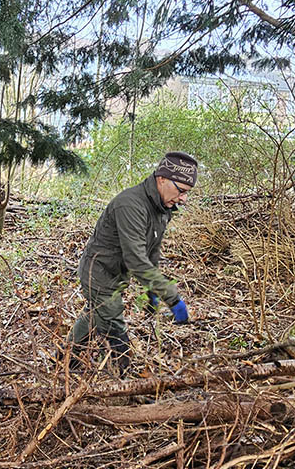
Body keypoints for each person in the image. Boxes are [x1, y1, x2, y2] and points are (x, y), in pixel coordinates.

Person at [67, 151, 197, 374]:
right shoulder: (130, 205)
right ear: (162, 179)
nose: (184, 199)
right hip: (98, 272)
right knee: (116, 330)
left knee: (93, 314)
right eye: (182, 191)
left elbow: (151, 251)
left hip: (116, 273)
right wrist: (172, 297)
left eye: (187, 193)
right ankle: (124, 384)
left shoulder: (162, 209)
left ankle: (65, 358)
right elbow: (136, 260)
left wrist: (151, 291)